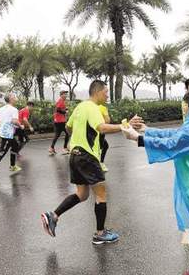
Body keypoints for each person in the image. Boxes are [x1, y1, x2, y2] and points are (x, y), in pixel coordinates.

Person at [122, 88, 189, 275]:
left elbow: (173, 143)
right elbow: (175, 134)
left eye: (186, 105)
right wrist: (147, 130)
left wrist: (137, 138)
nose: (185, 108)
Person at [40, 80, 125, 245]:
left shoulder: (79, 107)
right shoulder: (92, 107)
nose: (107, 94)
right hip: (87, 156)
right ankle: (100, 234)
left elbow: (68, 126)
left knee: (82, 194)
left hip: (75, 155)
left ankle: (53, 215)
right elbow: (101, 128)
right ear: (97, 91)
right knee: (101, 194)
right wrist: (123, 126)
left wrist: (76, 138)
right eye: (106, 91)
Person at [49, 90, 70, 155]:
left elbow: (60, 109)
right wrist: (65, 112)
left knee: (57, 135)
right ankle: (65, 148)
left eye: (66, 94)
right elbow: (58, 109)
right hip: (60, 121)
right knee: (68, 133)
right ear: (61, 95)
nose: (66, 95)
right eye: (64, 94)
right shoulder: (60, 101)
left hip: (59, 121)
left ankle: (51, 148)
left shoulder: (62, 101)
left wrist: (65, 109)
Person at [98, 104, 110, 172]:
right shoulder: (103, 108)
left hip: (91, 131)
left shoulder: (90, 106)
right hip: (100, 130)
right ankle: (100, 164)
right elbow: (107, 121)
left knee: (104, 146)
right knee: (102, 147)